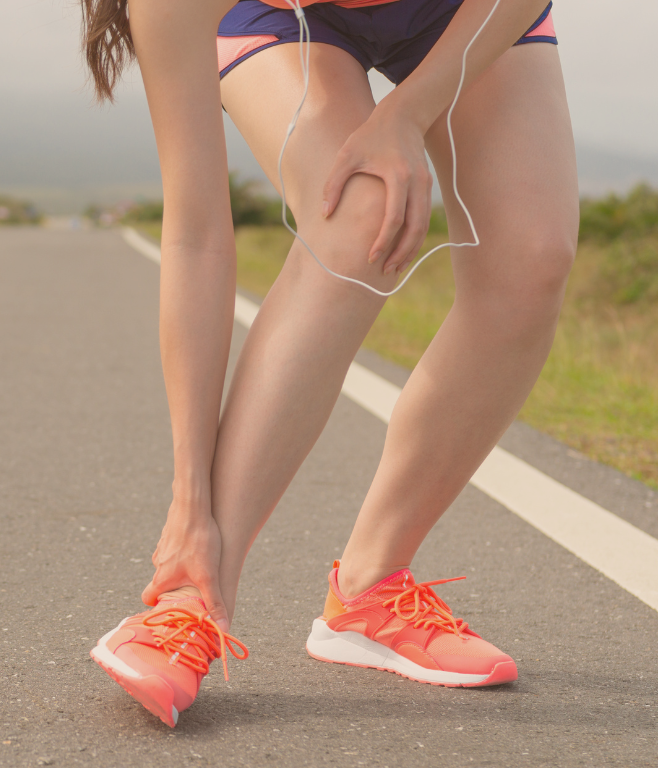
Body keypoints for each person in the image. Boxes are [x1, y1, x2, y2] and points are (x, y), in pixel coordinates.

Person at [83, 0, 577, 727]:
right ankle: (189, 595)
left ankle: (371, 588)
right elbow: (196, 235)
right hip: (282, 21)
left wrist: (406, 114)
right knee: (361, 211)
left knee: (531, 259)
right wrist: (189, 500)